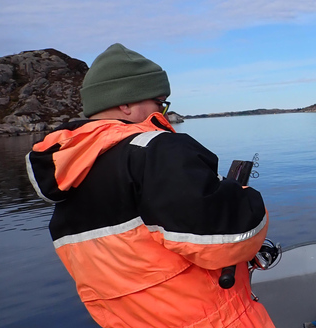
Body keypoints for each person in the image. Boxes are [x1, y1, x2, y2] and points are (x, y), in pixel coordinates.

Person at [26, 43, 275, 328]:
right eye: (160, 102)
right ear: (126, 104)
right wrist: (239, 196)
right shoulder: (154, 150)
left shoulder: (68, 172)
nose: (165, 112)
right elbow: (228, 240)